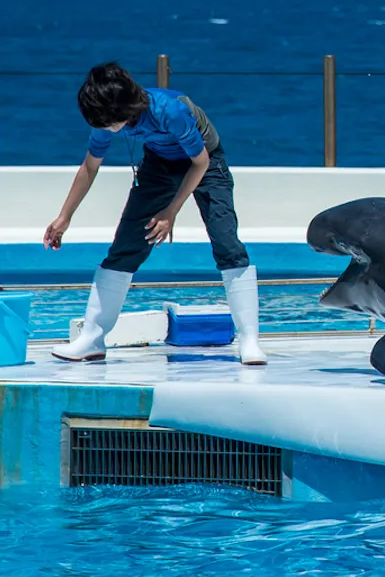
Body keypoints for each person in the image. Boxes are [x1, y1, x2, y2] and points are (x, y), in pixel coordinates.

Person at [43, 62, 265, 365]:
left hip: (206, 162)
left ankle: (249, 339)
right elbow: (90, 166)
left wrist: (170, 212)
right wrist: (64, 216)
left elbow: (198, 163)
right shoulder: (106, 118)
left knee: (226, 242)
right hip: (159, 164)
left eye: (107, 121)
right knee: (124, 247)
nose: (104, 127)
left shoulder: (170, 112)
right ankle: (92, 339)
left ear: (122, 108)